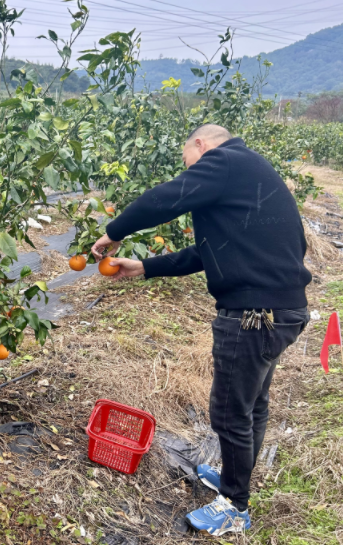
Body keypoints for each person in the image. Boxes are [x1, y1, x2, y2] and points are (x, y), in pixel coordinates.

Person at [91, 124, 311, 537]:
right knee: (251, 405)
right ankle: (234, 480)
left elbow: (165, 199)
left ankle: (234, 507)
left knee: (229, 412)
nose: (188, 171)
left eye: (185, 161)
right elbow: (209, 251)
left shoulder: (224, 161)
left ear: (200, 144)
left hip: (252, 315)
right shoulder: (251, 172)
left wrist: (114, 232)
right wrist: (146, 267)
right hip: (281, 310)